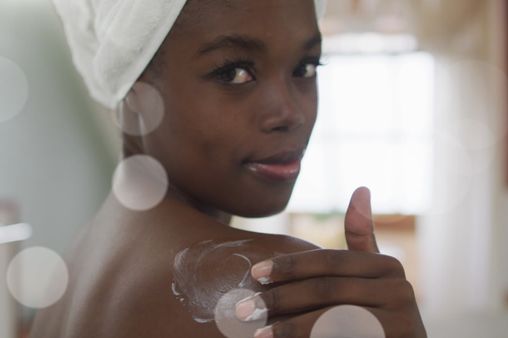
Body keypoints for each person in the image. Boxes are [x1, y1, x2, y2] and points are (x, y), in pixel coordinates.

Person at [30, 0, 427, 337]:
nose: (290, 113)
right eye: (235, 72)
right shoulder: (273, 289)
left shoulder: (76, 268)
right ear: (134, 93)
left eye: (305, 67)